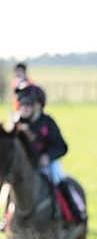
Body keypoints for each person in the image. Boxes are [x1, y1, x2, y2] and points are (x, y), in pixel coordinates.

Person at [13, 84, 86, 221]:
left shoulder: (48, 123)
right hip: (26, 165)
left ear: (39, 105)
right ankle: (7, 217)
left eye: (28, 103)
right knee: (12, 184)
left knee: (58, 178)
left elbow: (62, 147)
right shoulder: (17, 122)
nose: (24, 107)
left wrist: (48, 156)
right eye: (21, 103)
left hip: (48, 163)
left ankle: (75, 209)